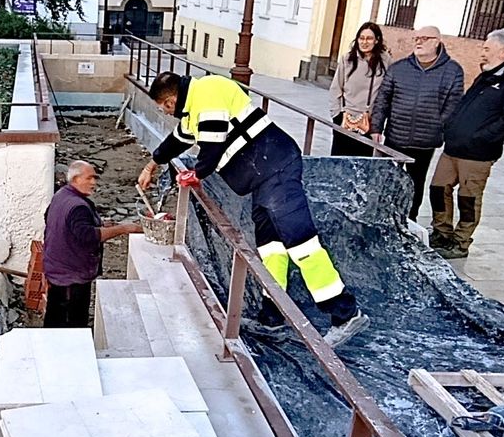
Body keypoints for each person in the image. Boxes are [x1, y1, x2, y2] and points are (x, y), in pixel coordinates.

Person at [139, 70, 368, 348]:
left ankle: (345, 313)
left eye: (163, 107)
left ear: (171, 99)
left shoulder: (207, 91)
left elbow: (212, 145)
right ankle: (273, 316)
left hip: (276, 167)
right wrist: (153, 164)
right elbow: (177, 140)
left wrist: (197, 174)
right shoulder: (193, 110)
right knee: (271, 248)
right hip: (264, 175)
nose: (165, 112)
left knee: (301, 243)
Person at [429, 28, 504, 259]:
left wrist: (481, 137)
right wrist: (451, 125)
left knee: (468, 199)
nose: (482, 52)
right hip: (453, 148)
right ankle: (441, 233)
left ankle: (460, 242)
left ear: (503, 51)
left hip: (477, 154)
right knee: (438, 189)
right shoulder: (486, 75)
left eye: (487, 48)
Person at [370, 24, 464, 221]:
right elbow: (383, 99)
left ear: (437, 42)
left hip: (424, 142)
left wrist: (437, 127)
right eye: (417, 38)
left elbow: (453, 105)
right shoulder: (399, 68)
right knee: (387, 181)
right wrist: (376, 127)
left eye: (424, 38)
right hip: (395, 137)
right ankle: (383, 218)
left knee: (415, 184)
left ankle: (409, 222)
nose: (419, 42)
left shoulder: (452, 71)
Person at [41, 160, 139, 328]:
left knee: (55, 317)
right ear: (75, 179)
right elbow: (89, 236)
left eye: (95, 178)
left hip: (57, 271)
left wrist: (99, 224)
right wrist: (124, 228)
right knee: (71, 323)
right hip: (71, 276)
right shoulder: (78, 206)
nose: (94, 183)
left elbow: (54, 219)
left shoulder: (61, 195)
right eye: (89, 178)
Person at [328, 22, 391, 156]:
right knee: (340, 161)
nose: (364, 42)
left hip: (369, 122)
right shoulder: (347, 59)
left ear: (377, 40)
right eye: (361, 38)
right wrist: (336, 115)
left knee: (362, 162)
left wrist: (378, 122)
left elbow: (387, 93)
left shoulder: (386, 61)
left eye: (369, 38)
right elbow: (336, 88)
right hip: (345, 120)